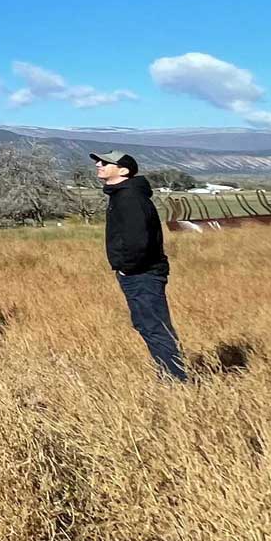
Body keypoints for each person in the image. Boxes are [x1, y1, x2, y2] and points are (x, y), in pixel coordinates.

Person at [93, 150, 189, 382]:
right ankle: (171, 373)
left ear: (123, 171)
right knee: (148, 324)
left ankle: (175, 379)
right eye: (99, 161)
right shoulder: (124, 194)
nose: (99, 164)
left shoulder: (129, 198)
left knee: (153, 325)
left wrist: (128, 268)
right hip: (140, 272)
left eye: (106, 162)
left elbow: (138, 240)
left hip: (142, 273)